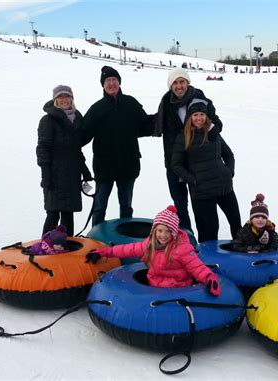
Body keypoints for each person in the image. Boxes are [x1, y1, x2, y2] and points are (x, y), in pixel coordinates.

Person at [86, 205, 220, 295]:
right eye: (160, 231)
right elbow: (128, 249)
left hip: (178, 290)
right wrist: (104, 252)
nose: (163, 235)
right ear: (154, 231)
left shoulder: (182, 248)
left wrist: (209, 278)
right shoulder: (149, 245)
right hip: (153, 288)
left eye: (168, 231)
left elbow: (196, 267)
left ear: (174, 232)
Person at [81, 66, 155, 226]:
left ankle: (125, 242)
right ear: (103, 85)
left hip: (128, 164)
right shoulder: (97, 108)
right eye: (108, 81)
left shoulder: (130, 103)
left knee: (126, 207)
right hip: (104, 167)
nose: (111, 83)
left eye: (114, 80)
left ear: (119, 82)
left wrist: (164, 116)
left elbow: (145, 124)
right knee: (100, 207)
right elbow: (83, 133)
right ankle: (95, 239)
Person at [153, 68, 223, 233]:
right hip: (174, 162)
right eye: (175, 83)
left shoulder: (201, 100)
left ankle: (204, 242)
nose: (179, 86)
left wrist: (210, 132)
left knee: (201, 206)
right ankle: (187, 239)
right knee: (180, 205)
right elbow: (154, 123)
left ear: (188, 83)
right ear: (171, 86)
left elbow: (217, 125)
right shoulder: (166, 103)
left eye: (182, 81)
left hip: (197, 164)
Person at [171, 99, 241, 243]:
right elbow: (176, 165)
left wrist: (229, 172)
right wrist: (194, 180)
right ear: (190, 117)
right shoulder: (183, 137)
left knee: (236, 224)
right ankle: (207, 263)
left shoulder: (214, 133)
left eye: (202, 114)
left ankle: (243, 256)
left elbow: (229, 155)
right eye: (195, 115)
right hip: (202, 192)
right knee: (209, 232)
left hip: (224, 186)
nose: (199, 118)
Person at [37, 85, 92, 236]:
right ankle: (45, 247)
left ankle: (66, 249)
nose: (64, 100)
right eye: (60, 97)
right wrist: (45, 175)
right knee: (53, 214)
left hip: (72, 175)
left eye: (66, 96)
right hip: (55, 175)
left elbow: (76, 150)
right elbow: (43, 149)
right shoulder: (48, 120)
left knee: (68, 214)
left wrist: (85, 171)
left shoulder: (77, 119)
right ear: (55, 100)